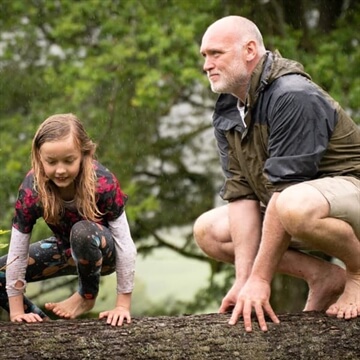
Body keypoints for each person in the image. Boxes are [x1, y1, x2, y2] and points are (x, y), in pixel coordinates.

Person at [194, 15, 360, 332]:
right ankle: (322, 275)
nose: (207, 64)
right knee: (209, 230)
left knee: (291, 206)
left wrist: (261, 278)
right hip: (299, 207)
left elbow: (284, 193)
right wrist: (244, 280)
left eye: (216, 53)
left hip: (350, 200)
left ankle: (357, 271)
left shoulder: (292, 94)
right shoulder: (229, 107)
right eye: (205, 56)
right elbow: (242, 195)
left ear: (250, 50)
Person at [0, 113, 137, 326]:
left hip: (103, 251)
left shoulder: (102, 182)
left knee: (82, 232)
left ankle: (86, 296)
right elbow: (18, 252)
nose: (61, 170)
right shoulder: (31, 190)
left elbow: (125, 244)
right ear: (38, 157)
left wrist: (122, 305)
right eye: (51, 162)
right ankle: (40, 323)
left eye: (69, 160)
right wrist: (17, 312)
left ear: (85, 154)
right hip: (64, 250)